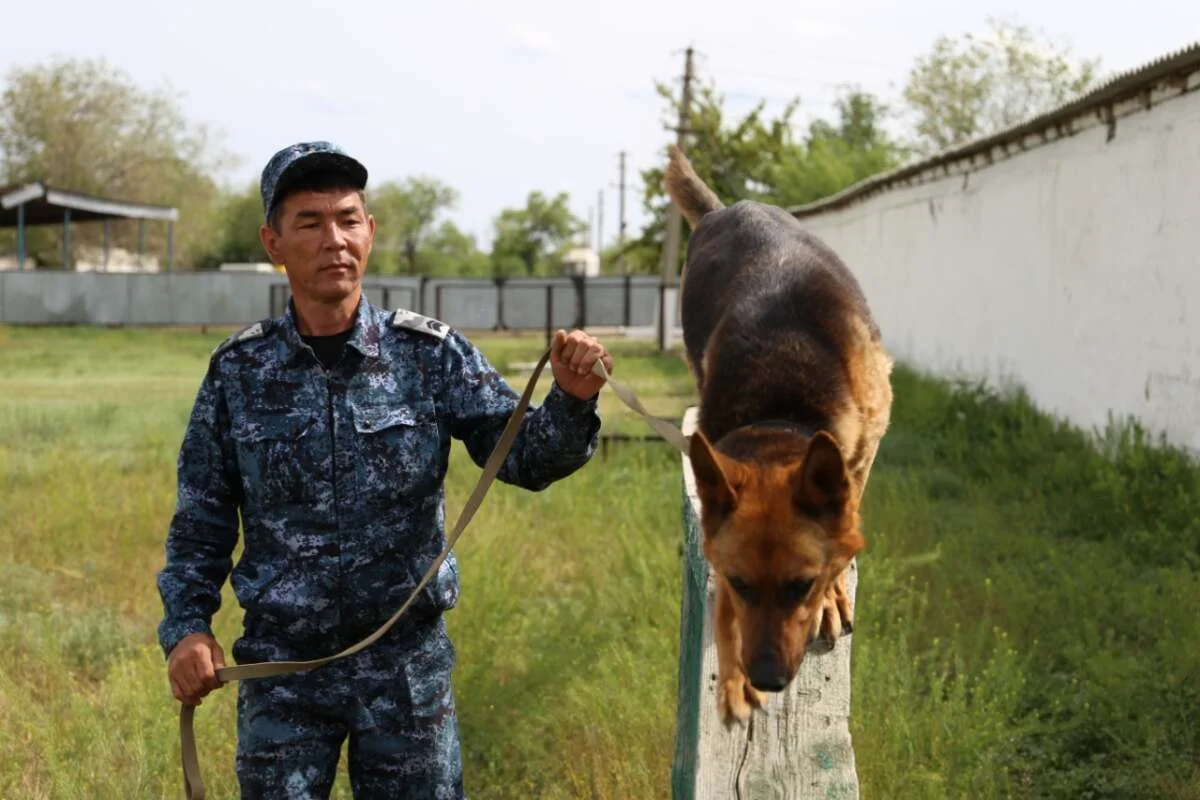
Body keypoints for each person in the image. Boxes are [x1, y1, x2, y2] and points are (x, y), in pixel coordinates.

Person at [156, 141, 613, 799]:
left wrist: (571, 400)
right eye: (310, 222)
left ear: (369, 232)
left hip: (407, 674)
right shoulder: (239, 373)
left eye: (347, 219)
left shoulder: (429, 355)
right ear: (273, 242)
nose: (334, 239)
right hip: (282, 673)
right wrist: (188, 628)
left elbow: (526, 458)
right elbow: (200, 520)